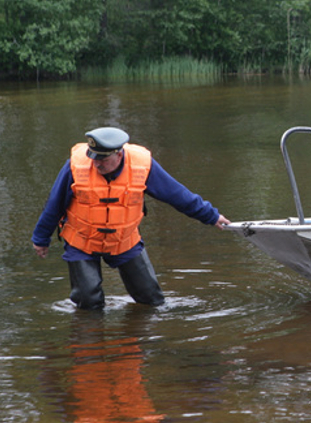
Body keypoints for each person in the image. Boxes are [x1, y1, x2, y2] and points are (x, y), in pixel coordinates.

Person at [31, 127, 231, 310]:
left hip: (124, 240)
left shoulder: (142, 166)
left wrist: (211, 216)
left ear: (119, 155)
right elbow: (54, 204)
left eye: (102, 159)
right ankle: (90, 346)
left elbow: (177, 195)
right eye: (93, 157)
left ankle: (140, 343)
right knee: (88, 302)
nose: (96, 163)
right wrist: (41, 239)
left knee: (152, 300)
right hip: (81, 240)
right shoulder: (75, 166)